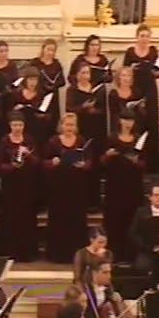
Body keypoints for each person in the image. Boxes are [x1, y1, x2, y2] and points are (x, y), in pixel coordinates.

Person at [43, 113, 91, 263]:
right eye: (67, 124)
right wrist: (53, 162)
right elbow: (44, 162)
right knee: (60, 218)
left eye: (72, 124)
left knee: (76, 218)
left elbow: (89, 161)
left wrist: (84, 165)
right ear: (61, 125)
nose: (69, 127)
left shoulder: (81, 140)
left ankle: (76, 254)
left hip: (77, 186)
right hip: (59, 186)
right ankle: (58, 254)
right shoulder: (53, 141)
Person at [102, 109, 146, 262]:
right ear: (120, 121)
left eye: (131, 120)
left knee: (132, 219)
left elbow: (145, 163)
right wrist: (108, 155)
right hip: (115, 184)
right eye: (125, 120)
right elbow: (102, 162)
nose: (128, 123)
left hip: (133, 184)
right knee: (115, 219)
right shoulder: (112, 138)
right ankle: (114, 254)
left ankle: (130, 255)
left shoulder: (138, 139)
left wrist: (137, 162)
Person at [0, 111, 39, 261]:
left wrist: (29, 155)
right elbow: (0, 164)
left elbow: (37, 162)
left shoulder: (29, 140)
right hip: (10, 184)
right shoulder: (4, 141)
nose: (17, 128)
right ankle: (9, 251)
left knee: (25, 216)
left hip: (26, 183)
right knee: (10, 216)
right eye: (15, 125)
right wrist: (11, 167)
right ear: (10, 125)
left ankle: (26, 252)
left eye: (20, 125)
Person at [66, 62, 107, 211]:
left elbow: (103, 109)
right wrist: (83, 108)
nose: (85, 76)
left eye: (87, 73)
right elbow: (69, 109)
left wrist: (95, 110)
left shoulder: (97, 89)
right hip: (80, 129)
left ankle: (94, 202)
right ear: (77, 75)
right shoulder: (72, 90)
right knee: (81, 163)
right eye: (82, 73)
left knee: (94, 164)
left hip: (96, 129)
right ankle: (81, 201)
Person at [122, 24, 159, 172]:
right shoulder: (130, 52)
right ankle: (134, 161)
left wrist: (155, 71)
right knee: (136, 123)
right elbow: (124, 72)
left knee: (151, 124)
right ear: (137, 37)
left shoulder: (153, 51)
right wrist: (131, 69)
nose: (144, 39)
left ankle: (151, 166)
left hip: (150, 91)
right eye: (142, 36)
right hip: (135, 90)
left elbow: (158, 73)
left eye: (147, 36)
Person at [129, 184, 159, 273]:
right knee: (141, 266)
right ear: (150, 197)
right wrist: (146, 247)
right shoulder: (141, 212)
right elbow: (133, 233)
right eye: (156, 195)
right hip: (147, 251)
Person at [30, 38, 66, 139]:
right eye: (48, 49)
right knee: (38, 125)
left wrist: (53, 85)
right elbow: (29, 78)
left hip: (52, 99)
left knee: (51, 125)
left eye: (53, 50)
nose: (50, 52)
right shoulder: (35, 63)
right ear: (43, 49)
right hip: (38, 96)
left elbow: (62, 81)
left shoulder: (56, 64)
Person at [10, 66, 49, 147]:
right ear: (25, 80)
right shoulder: (17, 94)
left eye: (35, 80)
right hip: (21, 129)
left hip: (37, 129)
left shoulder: (42, 95)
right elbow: (9, 112)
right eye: (30, 79)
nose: (33, 82)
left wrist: (42, 115)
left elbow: (49, 114)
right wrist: (16, 109)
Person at [108, 66, 145, 133]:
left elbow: (140, 111)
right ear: (118, 77)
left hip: (135, 124)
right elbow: (113, 114)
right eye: (123, 75)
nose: (126, 78)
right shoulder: (113, 93)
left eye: (128, 75)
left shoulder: (136, 92)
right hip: (119, 126)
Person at [0, 40, 19, 117]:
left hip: (8, 95)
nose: (4, 53)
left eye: (6, 51)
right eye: (1, 51)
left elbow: (16, 81)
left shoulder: (12, 65)